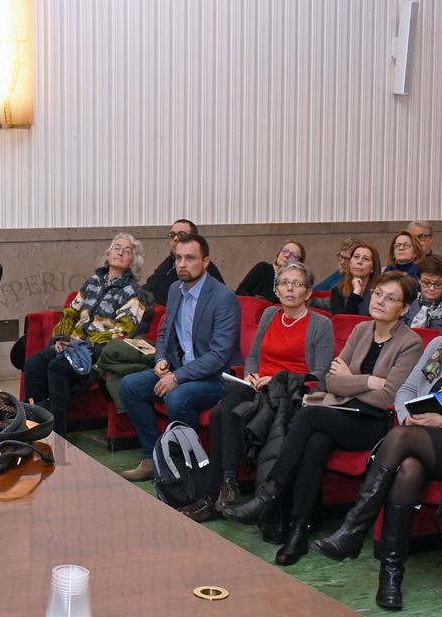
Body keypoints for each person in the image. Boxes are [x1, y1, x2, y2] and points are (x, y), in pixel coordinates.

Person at [314, 281, 442, 610]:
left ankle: (354, 528)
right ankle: (391, 577)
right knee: (408, 469)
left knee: (400, 438)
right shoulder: (440, 346)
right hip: (423, 437)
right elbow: (405, 391)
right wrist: (407, 414)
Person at [223, 272, 424, 565]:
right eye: (378, 293)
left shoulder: (410, 342)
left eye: (390, 298)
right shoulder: (361, 330)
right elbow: (331, 381)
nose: (380, 301)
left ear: (405, 309)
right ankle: (298, 532)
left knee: (308, 415)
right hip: (341, 411)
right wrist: (369, 381)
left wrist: (354, 379)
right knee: (315, 442)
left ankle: (268, 496)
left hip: (373, 423)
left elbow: (387, 396)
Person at [183, 262, 333, 523]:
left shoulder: (320, 324)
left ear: (309, 293)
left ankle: (220, 490)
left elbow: (320, 375)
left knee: (220, 412)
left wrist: (273, 379)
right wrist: (251, 374)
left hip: (289, 393)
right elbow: (253, 355)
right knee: (230, 395)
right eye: (284, 283)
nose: (290, 289)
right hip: (257, 386)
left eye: (297, 284)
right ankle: (228, 483)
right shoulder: (270, 315)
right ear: (276, 290)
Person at [119, 232, 240, 481]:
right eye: (178, 258)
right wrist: (161, 359)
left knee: (177, 397)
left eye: (190, 258)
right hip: (178, 369)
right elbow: (164, 331)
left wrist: (177, 377)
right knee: (129, 386)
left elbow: (219, 355)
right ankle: (154, 457)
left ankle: (191, 467)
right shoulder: (176, 289)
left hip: (214, 378)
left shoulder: (224, 298)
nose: (182, 264)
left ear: (206, 262)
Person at [23, 233, 149, 437]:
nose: (120, 252)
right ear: (108, 254)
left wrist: (84, 342)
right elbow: (71, 313)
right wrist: (62, 338)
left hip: (96, 352)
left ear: (133, 261)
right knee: (33, 364)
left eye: (127, 251)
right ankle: (33, 423)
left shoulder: (133, 292)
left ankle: (57, 435)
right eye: (117, 248)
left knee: (57, 367)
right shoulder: (93, 282)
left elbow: (124, 329)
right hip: (72, 345)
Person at [142, 218, 224, 304]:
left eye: (181, 234)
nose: (176, 238)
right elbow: (151, 284)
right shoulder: (170, 260)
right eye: (172, 234)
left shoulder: (202, 267)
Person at [236, 240, 307, 303]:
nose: (287, 255)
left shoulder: (294, 283)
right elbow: (241, 290)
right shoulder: (263, 268)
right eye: (285, 251)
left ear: (299, 263)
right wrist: (257, 302)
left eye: (293, 255)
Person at [406, 256, 442, 329]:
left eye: (438, 284)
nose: (431, 288)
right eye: (426, 283)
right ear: (419, 280)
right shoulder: (409, 300)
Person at [329, 239, 378, 315]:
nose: (359, 262)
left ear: (372, 268)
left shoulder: (380, 292)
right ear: (350, 262)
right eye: (356, 257)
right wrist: (356, 294)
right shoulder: (337, 291)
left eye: (366, 259)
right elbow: (343, 322)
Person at [406, 220, 442, 285]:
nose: (417, 241)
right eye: (413, 237)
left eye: (421, 236)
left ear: (431, 239)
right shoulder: (402, 263)